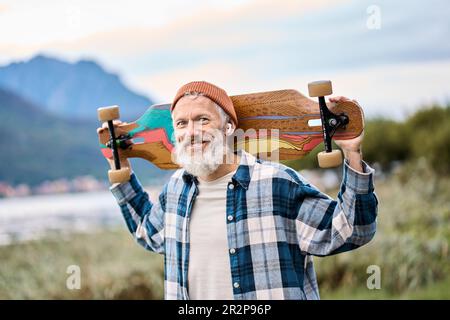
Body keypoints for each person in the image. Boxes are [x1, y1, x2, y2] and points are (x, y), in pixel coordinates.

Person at [98, 81, 378, 300]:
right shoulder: (175, 191)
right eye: (181, 123)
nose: (191, 131)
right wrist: (120, 168)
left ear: (229, 126)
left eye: (203, 120)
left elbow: (351, 231)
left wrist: (352, 154)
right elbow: (147, 232)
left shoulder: (276, 183)